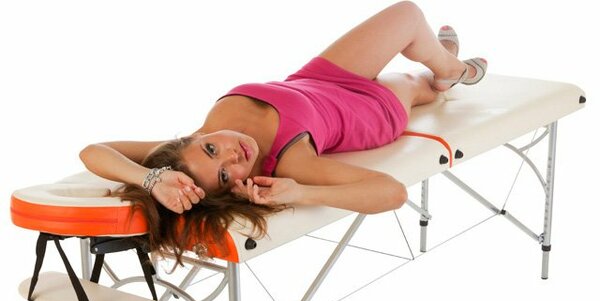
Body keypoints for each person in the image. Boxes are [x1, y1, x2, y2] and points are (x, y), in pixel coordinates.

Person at [79, 1, 487, 262]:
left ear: (192, 140)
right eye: (226, 175)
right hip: (367, 112)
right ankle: (446, 72)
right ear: (236, 188)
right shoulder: (290, 160)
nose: (232, 155)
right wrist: (301, 192)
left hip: (316, 79)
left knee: (407, 15)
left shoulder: (194, 138)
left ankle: (447, 65)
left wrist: (151, 179)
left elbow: (93, 151)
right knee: (416, 83)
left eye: (212, 151)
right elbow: (392, 193)